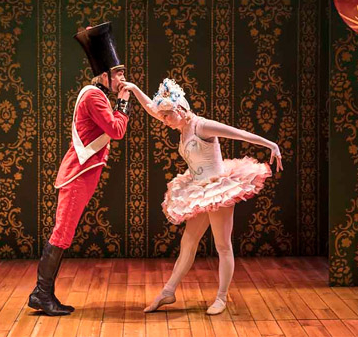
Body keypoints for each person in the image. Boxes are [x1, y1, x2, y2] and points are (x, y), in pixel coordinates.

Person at [121, 78, 282, 315]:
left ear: (180, 110)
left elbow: (238, 133)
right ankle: (168, 291)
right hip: (199, 190)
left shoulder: (201, 126)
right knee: (188, 241)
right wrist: (134, 89)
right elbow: (152, 109)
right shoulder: (181, 125)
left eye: (167, 116)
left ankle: (221, 297)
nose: (163, 121)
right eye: (163, 116)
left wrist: (271, 145)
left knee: (222, 246)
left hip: (217, 189)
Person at [28, 22, 131, 316]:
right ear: (104, 75)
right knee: (61, 235)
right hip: (77, 176)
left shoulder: (96, 95)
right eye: (119, 73)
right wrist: (123, 104)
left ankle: (42, 294)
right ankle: (41, 294)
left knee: (64, 234)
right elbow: (116, 130)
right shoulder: (94, 96)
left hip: (83, 177)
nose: (123, 77)